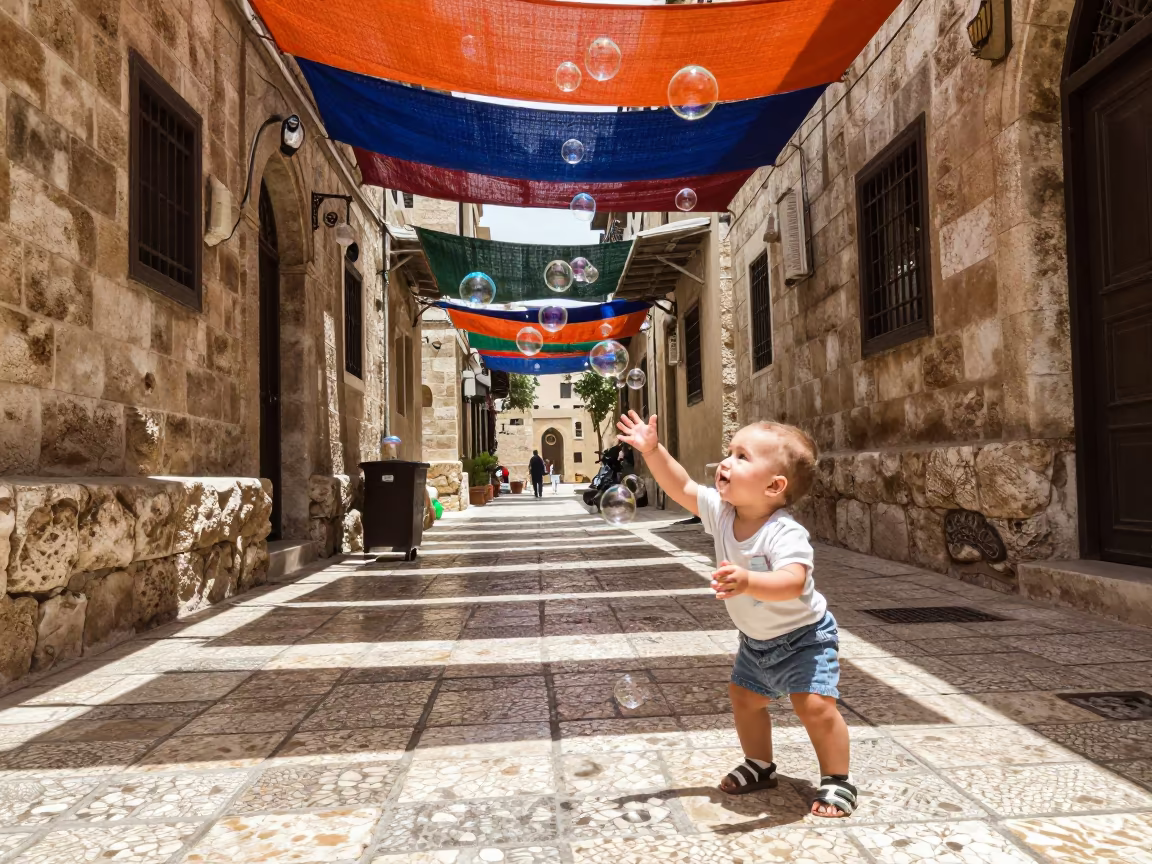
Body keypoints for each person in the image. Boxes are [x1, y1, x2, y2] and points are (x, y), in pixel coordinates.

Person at [616, 410, 855, 818]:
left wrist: (748, 581)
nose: (725, 462)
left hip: (805, 639)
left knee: (814, 706)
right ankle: (759, 765)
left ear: (774, 486)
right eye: (729, 452)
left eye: (742, 456)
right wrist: (653, 451)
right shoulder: (722, 512)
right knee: (745, 699)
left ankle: (837, 778)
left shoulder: (784, 532)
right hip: (756, 642)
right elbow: (681, 486)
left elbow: (793, 581)